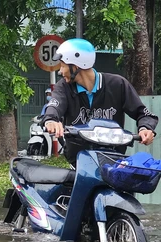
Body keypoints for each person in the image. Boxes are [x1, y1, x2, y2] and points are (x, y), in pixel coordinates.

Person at [41, 38, 158, 166]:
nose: (61, 71)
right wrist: (51, 120)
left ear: (76, 66)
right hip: (78, 164)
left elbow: (144, 114)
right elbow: (54, 105)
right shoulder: (63, 87)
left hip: (114, 162)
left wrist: (145, 128)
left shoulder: (118, 85)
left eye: (63, 66)